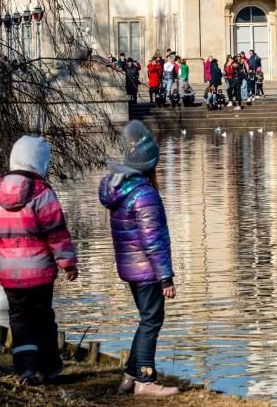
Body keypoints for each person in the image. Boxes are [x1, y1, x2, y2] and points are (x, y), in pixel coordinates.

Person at [0, 136, 77, 386]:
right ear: (40, 163)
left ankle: (26, 368)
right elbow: (56, 233)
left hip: (10, 275)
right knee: (43, 317)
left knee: (20, 319)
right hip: (40, 273)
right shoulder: (43, 195)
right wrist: (68, 263)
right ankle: (49, 368)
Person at [100, 121, 179, 398]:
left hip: (129, 266)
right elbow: (152, 240)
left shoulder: (121, 190)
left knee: (147, 319)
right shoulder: (145, 194)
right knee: (151, 320)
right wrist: (166, 277)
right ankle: (145, 379)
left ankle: (129, 377)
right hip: (146, 269)